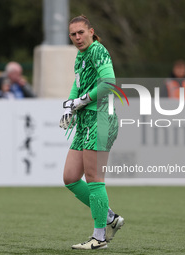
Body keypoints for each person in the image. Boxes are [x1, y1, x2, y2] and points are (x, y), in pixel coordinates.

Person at [59, 15, 124, 250]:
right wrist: (70, 105)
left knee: (94, 178)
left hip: (101, 118)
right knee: (70, 177)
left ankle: (100, 238)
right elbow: (77, 83)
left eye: (81, 32)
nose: (77, 37)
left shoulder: (98, 50)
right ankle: (109, 218)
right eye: (73, 34)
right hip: (86, 119)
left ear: (91, 32)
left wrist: (82, 101)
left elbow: (109, 82)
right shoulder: (80, 55)